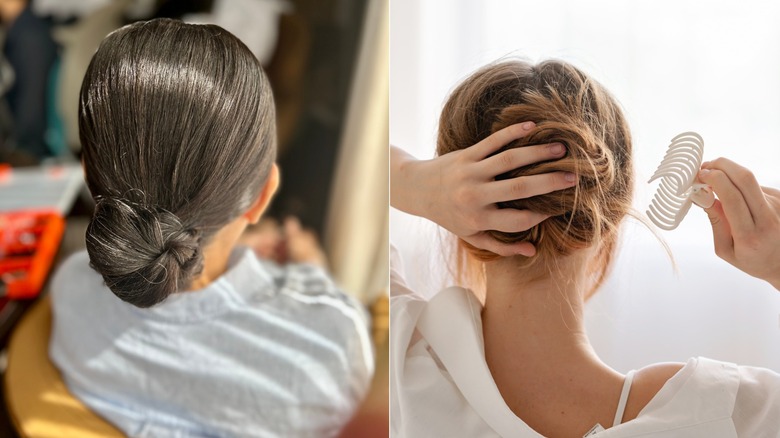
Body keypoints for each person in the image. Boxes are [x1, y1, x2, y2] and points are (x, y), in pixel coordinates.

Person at [390, 59, 780, 437]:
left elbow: (333, 158)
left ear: (455, 209)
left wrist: (408, 180)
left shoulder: (390, 366)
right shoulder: (726, 414)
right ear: (610, 217)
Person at [49, 18, 373, 437]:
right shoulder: (329, 349)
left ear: (88, 173)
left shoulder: (70, 293)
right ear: (262, 197)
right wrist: (311, 268)